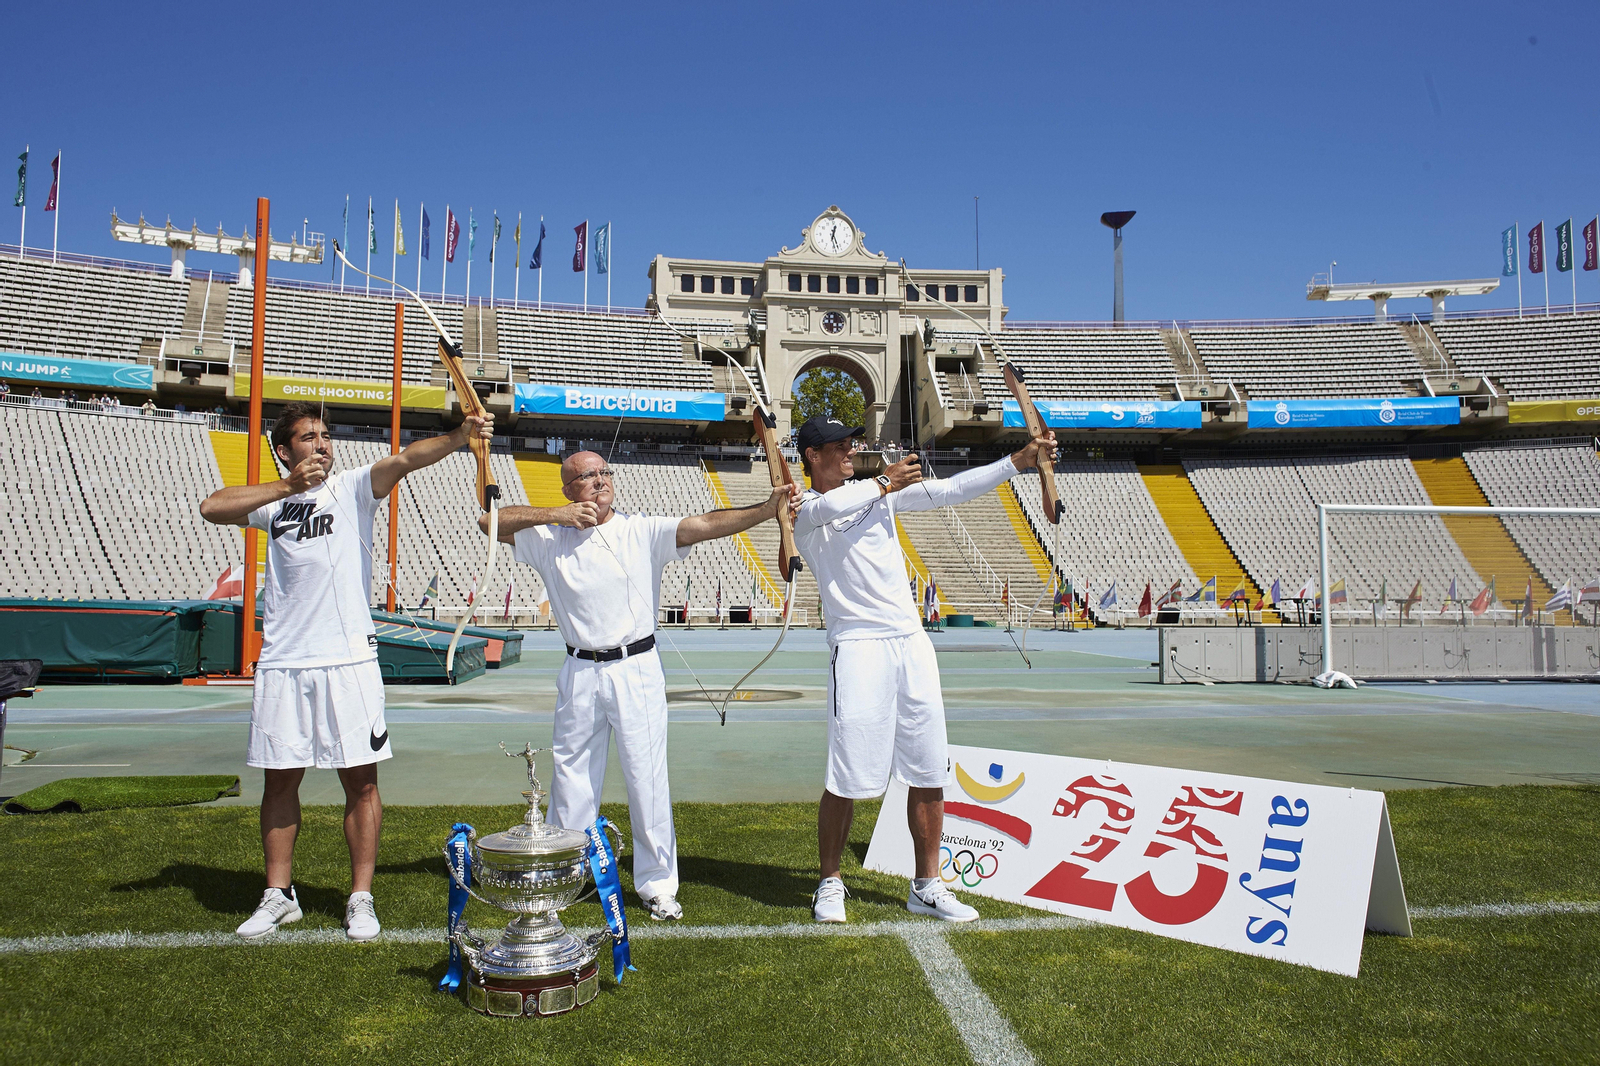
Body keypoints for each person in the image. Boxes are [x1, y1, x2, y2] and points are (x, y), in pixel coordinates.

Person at [200, 399, 494, 941]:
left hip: (349, 661)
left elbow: (405, 460)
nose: (322, 444)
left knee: (360, 782)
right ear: (284, 449)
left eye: (325, 434)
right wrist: (289, 488)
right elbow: (212, 506)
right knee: (279, 780)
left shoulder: (354, 486)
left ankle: (360, 897)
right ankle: (279, 894)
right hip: (286, 661)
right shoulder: (273, 501)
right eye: (309, 437)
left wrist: (459, 437)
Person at [483, 450, 798, 920]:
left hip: (636, 667)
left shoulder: (639, 530)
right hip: (579, 670)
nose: (599, 481)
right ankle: (568, 874)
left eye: (604, 472)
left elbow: (702, 525)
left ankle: (656, 885)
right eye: (586, 477)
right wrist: (557, 514)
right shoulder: (548, 537)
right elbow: (489, 521)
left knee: (646, 778)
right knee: (571, 780)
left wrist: (764, 510)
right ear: (568, 488)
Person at [793, 415, 1056, 924]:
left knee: (929, 765)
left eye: (851, 442)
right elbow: (832, 505)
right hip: (858, 645)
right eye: (839, 445)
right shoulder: (807, 509)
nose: (850, 449)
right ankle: (830, 882)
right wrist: (884, 481)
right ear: (812, 455)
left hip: (911, 642)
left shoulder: (878, 494)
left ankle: (928, 884)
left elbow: (953, 490)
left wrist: (1017, 463)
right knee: (847, 773)